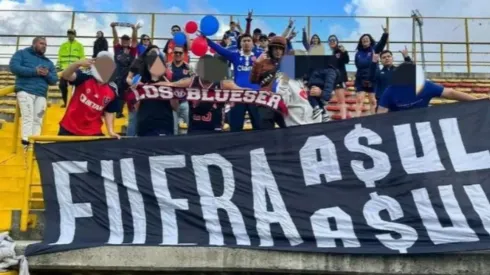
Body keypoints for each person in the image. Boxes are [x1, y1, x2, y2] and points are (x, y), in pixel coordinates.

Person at [159, 57, 248, 135]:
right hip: (195, 128)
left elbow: (244, 91)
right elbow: (171, 85)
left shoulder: (223, 83)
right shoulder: (191, 81)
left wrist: (260, 93)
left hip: (215, 129)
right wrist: (147, 86)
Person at [9, 37, 58, 149]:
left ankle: (35, 147)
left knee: (38, 120)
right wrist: (34, 71)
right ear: (34, 44)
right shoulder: (21, 53)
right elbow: (14, 68)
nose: (44, 46)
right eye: (41, 43)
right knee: (28, 117)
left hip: (41, 94)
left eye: (45, 44)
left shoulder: (48, 62)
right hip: (25, 91)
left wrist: (46, 74)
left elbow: (54, 80)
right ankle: (26, 146)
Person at [206, 33, 261, 131]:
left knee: (259, 125)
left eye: (249, 40)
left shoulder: (260, 56)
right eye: (244, 41)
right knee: (235, 126)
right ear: (240, 43)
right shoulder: (235, 55)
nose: (246, 43)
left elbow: (276, 53)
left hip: (255, 95)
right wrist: (206, 40)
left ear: (253, 43)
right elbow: (220, 50)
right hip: (238, 95)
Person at [58, 52, 119, 138]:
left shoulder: (113, 89)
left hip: (93, 132)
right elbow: (66, 75)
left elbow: (109, 111)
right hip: (69, 127)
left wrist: (111, 131)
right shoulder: (85, 76)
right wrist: (77, 63)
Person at [377, 62, 478, 113]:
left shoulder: (425, 85)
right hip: (400, 128)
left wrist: (478, 101)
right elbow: (381, 114)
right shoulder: (391, 90)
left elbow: (450, 93)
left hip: (423, 125)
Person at [134, 46, 178, 137]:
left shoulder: (169, 83)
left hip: (164, 126)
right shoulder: (141, 84)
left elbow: (175, 107)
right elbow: (136, 108)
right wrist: (135, 91)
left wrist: (172, 89)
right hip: (144, 126)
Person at [250, 36, 288, 129]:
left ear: (284, 51)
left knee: (288, 130)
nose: (278, 51)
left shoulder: (289, 63)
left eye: (280, 49)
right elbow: (253, 80)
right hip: (266, 101)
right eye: (275, 48)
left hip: (284, 101)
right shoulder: (262, 62)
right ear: (270, 50)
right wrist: (257, 64)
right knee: (267, 133)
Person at [354, 26, 389, 116]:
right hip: (361, 78)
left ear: (370, 41)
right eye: (363, 39)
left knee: (373, 101)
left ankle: (373, 121)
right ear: (361, 42)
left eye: (367, 38)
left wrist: (385, 34)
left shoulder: (375, 49)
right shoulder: (358, 53)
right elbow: (357, 64)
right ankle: (355, 120)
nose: (365, 40)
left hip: (373, 78)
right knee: (359, 100)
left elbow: (382, 43)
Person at [111, 22, 139, 118]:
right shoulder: (117, 48)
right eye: (123, 40)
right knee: (119, 94)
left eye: (127, 40)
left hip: (129, 75)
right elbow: (115, 39)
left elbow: (135, 40)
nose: (125, 42)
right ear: (121, 41)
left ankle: (132, 110)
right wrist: (113, 27)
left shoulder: (132, 50)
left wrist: (134, 30)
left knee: (130, 93)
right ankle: (119, 112)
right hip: (119, 75)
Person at [165, 46, 192, 135]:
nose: (177, 54)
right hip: (171, 102)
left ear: (183, 54)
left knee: (186, 128)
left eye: (180, 53)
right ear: (173, 54)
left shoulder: (188, 67)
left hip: (184, 101)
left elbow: (194, 81)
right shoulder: (167, 66)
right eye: (176, 52)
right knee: (174, 129)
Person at [57, 29, 85, 107]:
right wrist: (58, 66)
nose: (70, 35)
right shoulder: (63, 45)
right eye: (69, 33)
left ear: (75, 35)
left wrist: (81, 66)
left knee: (77, 86)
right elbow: (59, 57)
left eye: (72, 34)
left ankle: (76, 103)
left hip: (75, 69)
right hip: (64, 69)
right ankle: (66, 102)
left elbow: (82, 57)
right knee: (62, 85)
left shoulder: (79, 45)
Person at [327, 34, 350, 119]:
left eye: (334, 40)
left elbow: (346, 60)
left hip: (339, 79)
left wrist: (344, 52)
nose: (332, 42)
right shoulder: (331, 53)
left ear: (337, 42)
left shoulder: (340, 51)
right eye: (330, 41)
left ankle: (343, 119)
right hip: (331, 79)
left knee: (341, 100)